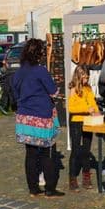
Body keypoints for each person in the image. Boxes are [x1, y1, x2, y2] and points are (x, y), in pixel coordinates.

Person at [13, 39, 64, 198]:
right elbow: (53, 91)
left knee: (31, 153)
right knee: (47, 153)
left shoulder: (19, 72)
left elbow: (15, 92)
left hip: (24, 117)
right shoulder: (40, 71)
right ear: (39, 54)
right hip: (41, 116)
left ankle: (33, 188)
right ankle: (50, 188)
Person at [67, 64, 101, 191]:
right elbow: (71, 108)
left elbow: (92, 103)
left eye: (87, 77)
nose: (86, 80)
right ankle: (72, 178)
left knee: (86, 150)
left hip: (88, 122)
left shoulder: (88, 88)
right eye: (84, 77)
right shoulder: (73, 89)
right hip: (76, 121)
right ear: (79, 76)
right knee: (75, 150)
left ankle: (86, 176)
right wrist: (87, 109)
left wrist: (97, 112)